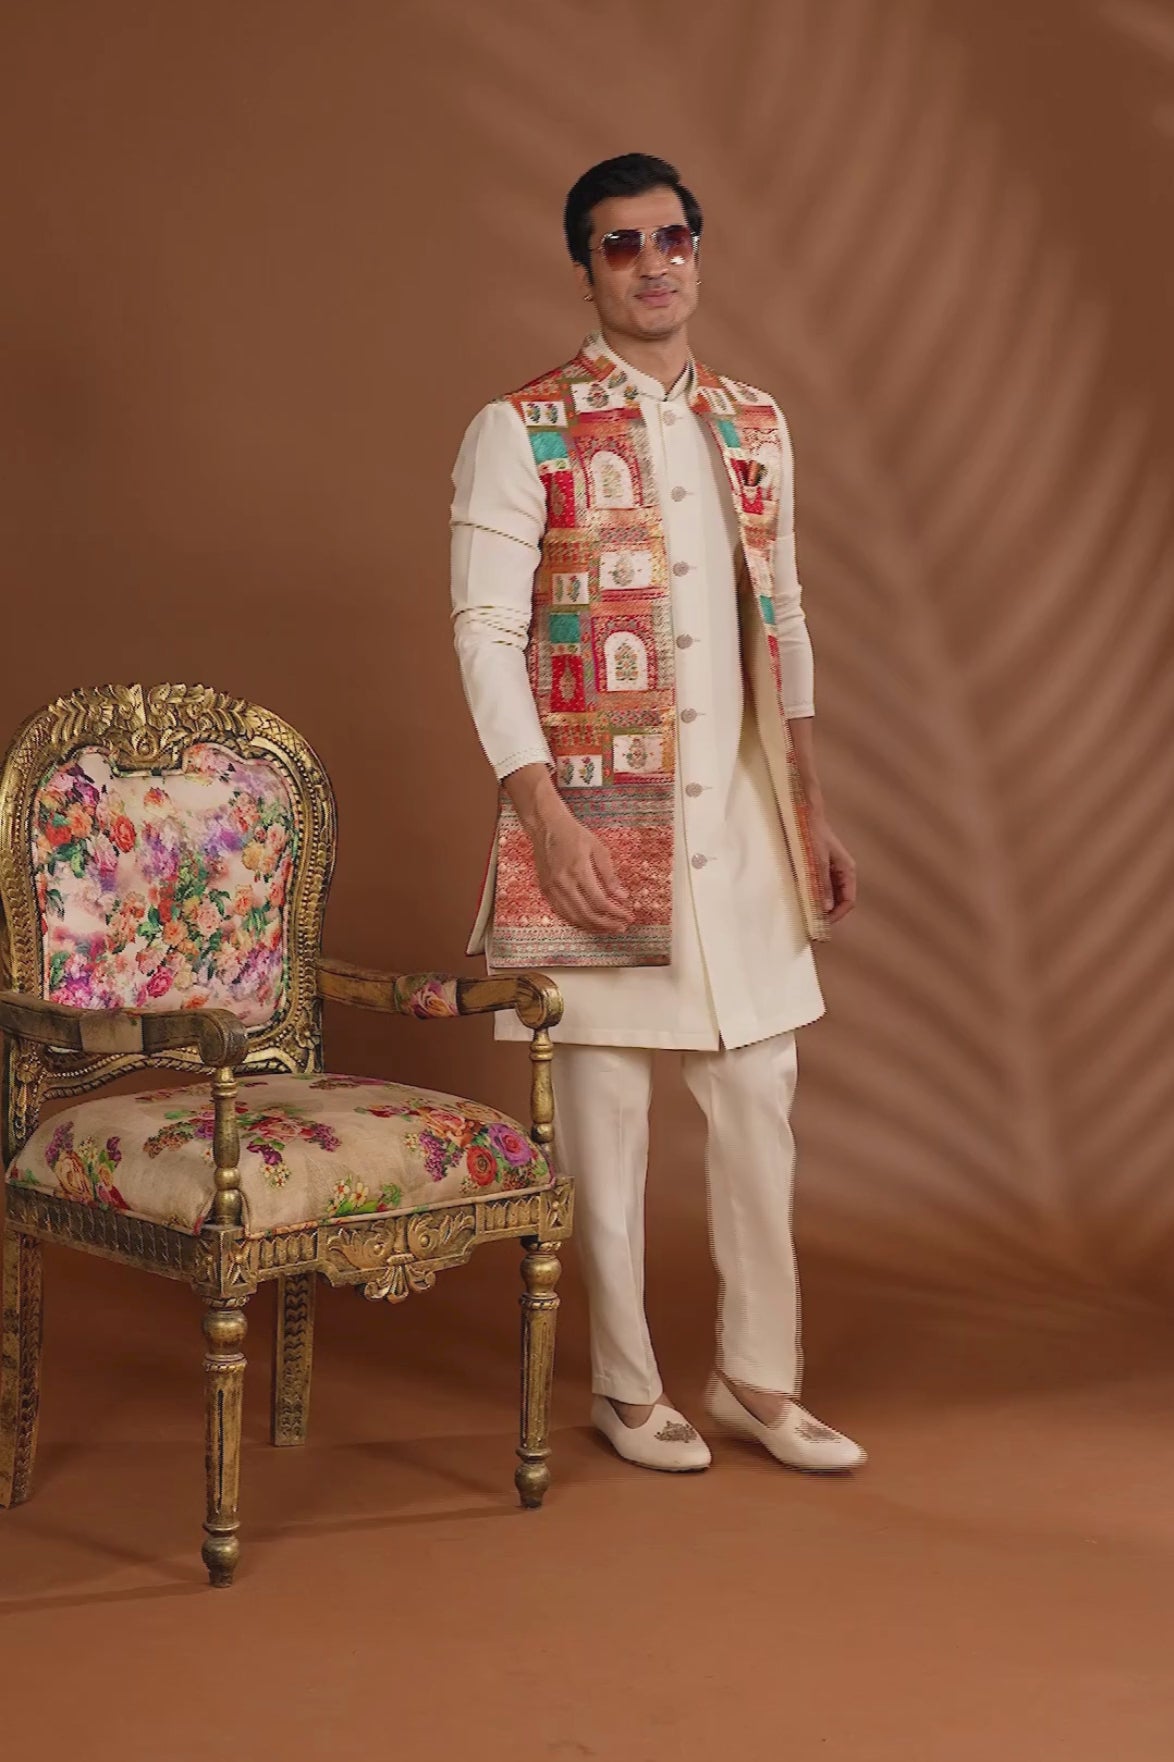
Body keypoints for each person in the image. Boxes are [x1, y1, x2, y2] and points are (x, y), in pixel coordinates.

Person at [450, 152, 865, 1474]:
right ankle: (627, 1388)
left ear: (697, 250)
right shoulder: (520, 426)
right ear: (585, 268)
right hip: (596, 814)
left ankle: (757, 1376)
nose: (651, 263)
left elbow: (783, 617)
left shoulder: (755, 423)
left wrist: (807, 804)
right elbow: (483, 633)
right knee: (607, 1109)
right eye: (620, 244)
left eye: (670, 237)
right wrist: (545, 817)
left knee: (760, 1093)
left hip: (737, 819)